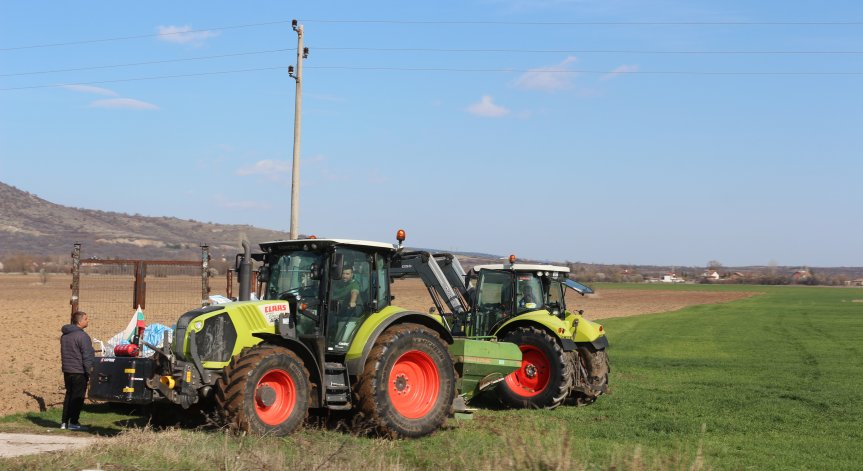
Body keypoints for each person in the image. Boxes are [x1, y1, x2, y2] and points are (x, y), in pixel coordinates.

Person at [60, 310, 95, 431]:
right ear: (80, 321)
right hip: (79, 371)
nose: (87, 320)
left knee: (69, 395)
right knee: (78, 398)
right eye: (86, 318)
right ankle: (74, 422)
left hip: (67, 370)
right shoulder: (82, 336)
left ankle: (64, 422)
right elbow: (87, 356)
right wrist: (90, 372)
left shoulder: (65, 336)